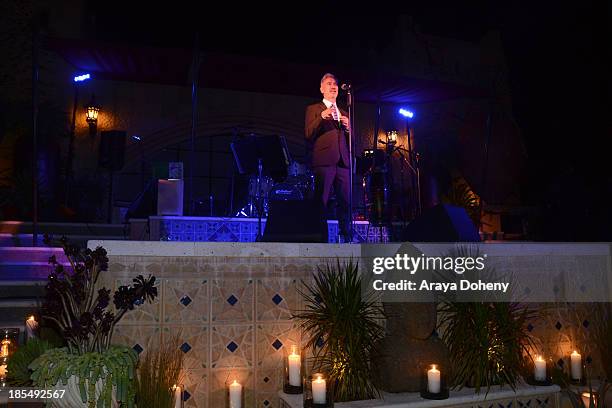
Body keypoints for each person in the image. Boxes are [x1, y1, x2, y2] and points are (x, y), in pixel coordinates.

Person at [305, 73, 352, 242]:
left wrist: (348, 129)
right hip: (324, 160)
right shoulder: (314, 109)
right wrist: (321, 117)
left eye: (335, 84)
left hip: (343, 162)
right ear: (322, 89)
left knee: (346, 202)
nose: (333, 86)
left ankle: (347, 236)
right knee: (321, 201)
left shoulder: (344, 111)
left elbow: (351, 142)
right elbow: (308, 134)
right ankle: (319, 238)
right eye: (329, 83)